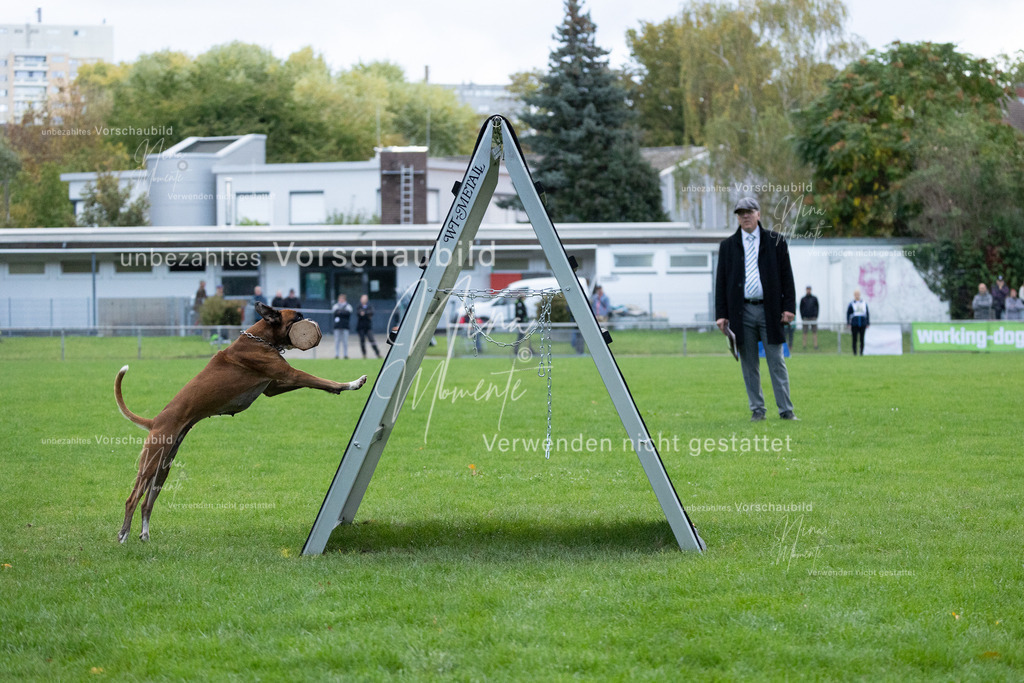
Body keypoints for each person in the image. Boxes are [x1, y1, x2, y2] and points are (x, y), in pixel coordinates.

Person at [715, 197, 798, 421]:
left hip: (770, 311)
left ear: (758, 214)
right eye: (741, 213)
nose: (745, 216)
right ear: (737, 217)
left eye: (749, 212)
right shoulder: (728, 246)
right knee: (749, 364)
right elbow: (721, 282)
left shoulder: (776, 241)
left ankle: (786, 410)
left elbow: (787, 277)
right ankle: (758, 410)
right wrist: (721, 315)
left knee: (776, 361)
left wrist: (789, 307)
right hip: (741, 312)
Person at [356, 294, 381, 359]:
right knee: (362, 341)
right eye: (361, 298)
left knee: (372, 340)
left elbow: (371, 313)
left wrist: (364, 313)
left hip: (368, 327)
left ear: (366, 300)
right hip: (360, 327)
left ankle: (377, 353)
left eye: (363, 299)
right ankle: (364, 354)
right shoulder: (359, 306)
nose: (362, 300)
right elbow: (358, 313)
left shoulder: (369, 306)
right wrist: (365, 314)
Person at [846, 289, 870, 356]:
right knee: (854, 339)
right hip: (854, 323)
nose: (857, 296)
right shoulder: (852, 304)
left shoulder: (864, 303)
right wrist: (848, 322)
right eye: (856, 294)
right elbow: (848, 314)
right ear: (854, 295)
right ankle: (855, 353)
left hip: (862, 323)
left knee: (862, 339)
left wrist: (867, 322)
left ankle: (861, 353)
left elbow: (867, 313)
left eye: (858, 294)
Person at [332, 293, 353, 359]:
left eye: (342, 299)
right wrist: (343, 312)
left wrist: (340, 312)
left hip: (345, 326)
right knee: (337, 341)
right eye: (340, 298)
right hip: (337, 326)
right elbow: (335, 312)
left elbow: (348, 313)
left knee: (345, 341)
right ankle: (337, 354)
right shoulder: (335, 306)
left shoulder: (348, 306)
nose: (341, 300)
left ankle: (345, 354)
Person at [799, 285, 819, 350]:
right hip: (805, 318)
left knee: (814, 332)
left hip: (813, 317)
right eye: (807, 289)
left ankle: (815, 346)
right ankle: (804, 346)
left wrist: (816, 315)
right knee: (805, 332)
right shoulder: (803, 299)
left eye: (809, 289)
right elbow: (801, 308)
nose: (808, 290)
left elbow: (817, 307)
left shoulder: (814, 299)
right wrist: (802, 316)